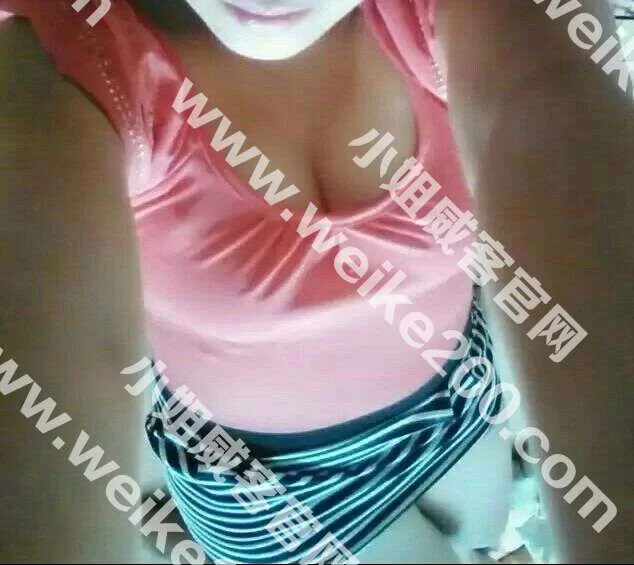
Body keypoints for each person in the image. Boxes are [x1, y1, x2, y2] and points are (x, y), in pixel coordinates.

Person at [0, 0, 631, 563]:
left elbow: (553, 103)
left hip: (456, 396)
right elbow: (44, 344)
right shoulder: (62, 60)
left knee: (483, 541)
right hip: (269, 484)